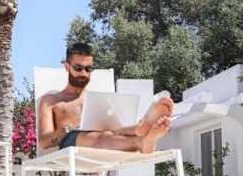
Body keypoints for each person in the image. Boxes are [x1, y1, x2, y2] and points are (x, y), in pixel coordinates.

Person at [38, 43, 173, 154]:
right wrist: (69, 128)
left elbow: (113, 130)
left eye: (88, 69)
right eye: (78, 68)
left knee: (113, 131)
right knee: (99, 136)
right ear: (67, 66)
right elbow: (44, 142)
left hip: (105, 137)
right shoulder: (51, 100)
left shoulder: (96, 99)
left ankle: (141, 129)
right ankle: (140, 140)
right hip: (71, 142)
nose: (83, 73)